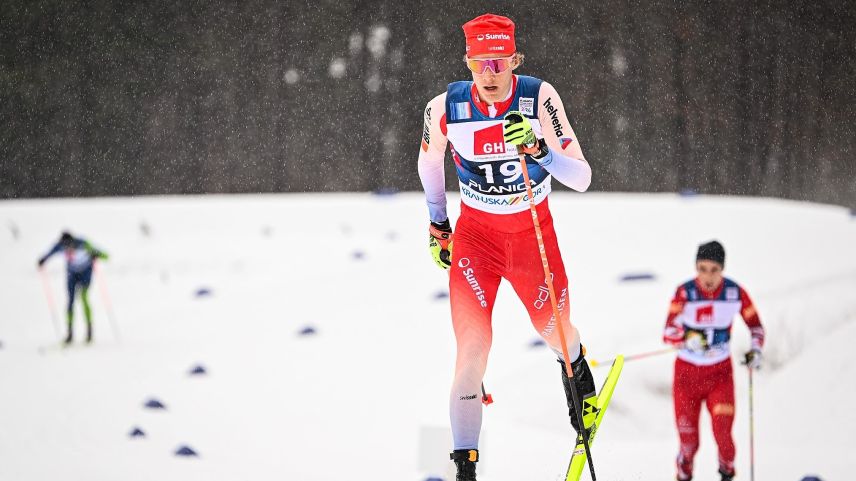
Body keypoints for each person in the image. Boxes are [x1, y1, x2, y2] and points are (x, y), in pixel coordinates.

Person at [417, 13, 595, 480]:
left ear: (515, 59)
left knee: (553, 331)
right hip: (476, 240)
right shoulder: (444, 108)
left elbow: (581, 177)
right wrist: (439, 223)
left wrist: (540, 149)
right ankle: (465, 467)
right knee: (471, 352)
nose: (491, 75)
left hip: (532, 239)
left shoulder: (539, 97)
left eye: (500, 63)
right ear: (468, 62)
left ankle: (573, 362)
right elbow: (428, 162)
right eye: (481, 64)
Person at [662, 241, 765, 481]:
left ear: (723, 269)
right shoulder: (684, 292)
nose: (708, 276)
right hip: (686, 377)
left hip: (719, 376)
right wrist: (687, 337)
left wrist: (756, 351)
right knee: (688, 443)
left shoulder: (735, 293)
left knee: (724, 439)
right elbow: (667, 332)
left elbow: (756, 327)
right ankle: (683, 474)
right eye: (702, 268)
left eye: (714, 270)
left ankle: (727, 474)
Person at [38, 231, 108, 344]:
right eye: (65, 246)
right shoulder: (61, 245)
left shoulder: (82, 243)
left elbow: (105, 256)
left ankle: (89, 331)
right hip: (72, 275)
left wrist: (96, 254)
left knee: (84, 298)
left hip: (85, 273)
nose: (67, 248)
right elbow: (50, 253)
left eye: (68, 245)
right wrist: (43, 260)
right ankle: (70, 334)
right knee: (70, 301)